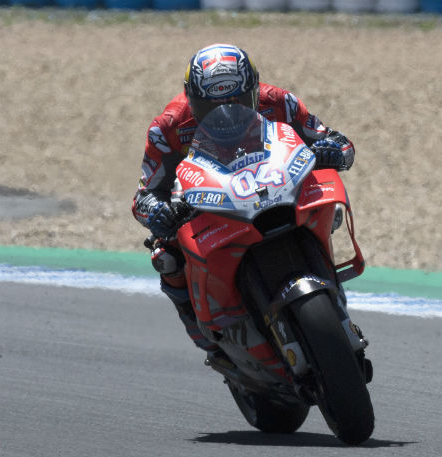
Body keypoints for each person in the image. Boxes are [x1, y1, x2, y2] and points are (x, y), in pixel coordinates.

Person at [131, 43, 356, 367]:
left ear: (253, 90)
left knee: (325, 200)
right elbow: (143, 195)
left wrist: (336, 151)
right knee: (166, 257)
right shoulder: (168, 127)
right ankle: (211, 344)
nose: (227, 111)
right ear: (192, 99)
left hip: (274, 185)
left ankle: (330, 290)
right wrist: (158, 211)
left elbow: (334, 138)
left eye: (237, 101)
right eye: (212, 106)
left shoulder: (279, 102)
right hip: (210, 203)